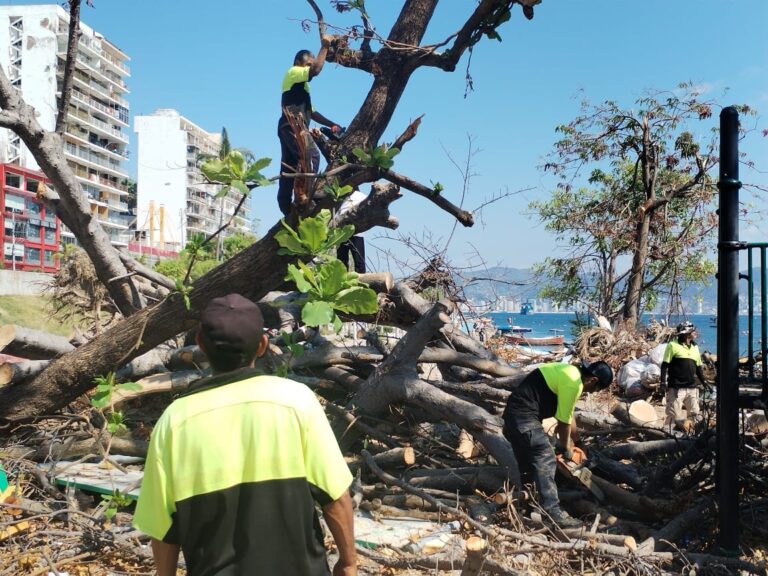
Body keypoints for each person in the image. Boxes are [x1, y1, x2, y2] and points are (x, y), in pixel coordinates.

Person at [133, 294, 357, 576]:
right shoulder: (296, 401)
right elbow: (335, 495)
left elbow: (162, 526)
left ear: (200, 343)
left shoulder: (175, 421)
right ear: (263, 345)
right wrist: (348, 563)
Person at [502, 360, 613, 527]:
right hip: (524, 417)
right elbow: (563, 423)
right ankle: (552, 512)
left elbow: (569, 416)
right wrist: (566, 447)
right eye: (596, 389)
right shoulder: (573, 383)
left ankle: (528, 506)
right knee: (545, 455)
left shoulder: (570, 373)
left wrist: (578, 442)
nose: (592, 393)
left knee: (527, 465)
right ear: (593, 380)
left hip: (513, 416)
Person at [278, 38, 342, 216]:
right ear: (299, 63)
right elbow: (316, 70)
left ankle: (285, 206)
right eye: (308, 63)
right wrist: (325, 46)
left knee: (289, 166)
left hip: (289, 126)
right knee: (310, 155)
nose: (310, 68)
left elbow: (312, 113)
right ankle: (305, 194)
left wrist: (332, 124)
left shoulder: (302, 87)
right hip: (292, 125)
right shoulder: (293, 72)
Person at [660, 321, 706, 430]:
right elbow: (664, 365)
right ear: (686, 333)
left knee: (695, 414)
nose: (695, 333)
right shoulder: (673, 345)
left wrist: (704, 382)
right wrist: (662, 383)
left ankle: (693, 436)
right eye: (692, 331)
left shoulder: (695, 347)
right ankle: (668, 436)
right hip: (676, 388)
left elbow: (698, 368)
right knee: (674, 415)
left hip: (692, 388)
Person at [336, 189, 367, 273]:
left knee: (359, 262)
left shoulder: (361, 196)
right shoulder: (339, 196)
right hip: (342, 233)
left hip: (357, 233)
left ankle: (361, 284)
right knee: (341, 261)